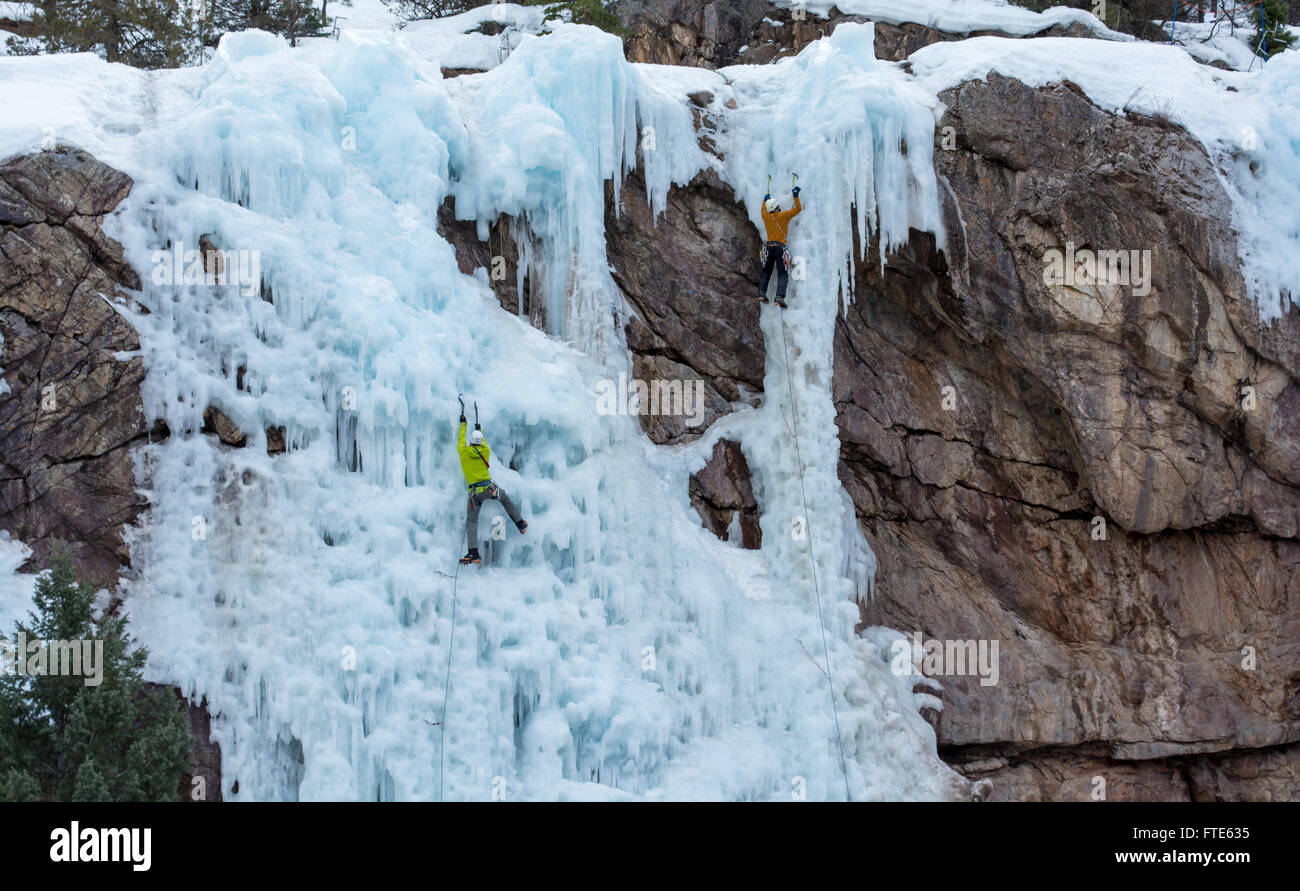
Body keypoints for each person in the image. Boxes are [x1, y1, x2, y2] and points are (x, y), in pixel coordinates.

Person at [457, 408, 526, 565]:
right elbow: (485, 442)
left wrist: (463, 423)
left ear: (471, 442)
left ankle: (473, 553)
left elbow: (461, 440)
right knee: (505, 498)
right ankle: (520, 523)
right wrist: (478, 428)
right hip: (489, 488)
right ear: (480, 442)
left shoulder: (464, 451)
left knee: (472, 522)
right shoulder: (485, 450)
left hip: (475, 494)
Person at [758, 185, 802, 308]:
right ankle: (779, 297)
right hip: (780, 248)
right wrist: (796, 196)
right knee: (782, 273)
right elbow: (798, 209)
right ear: (777, 207)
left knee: (766, 271)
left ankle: (762, 293)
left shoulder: (766, 216)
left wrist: (764, 200)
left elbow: (763, 211)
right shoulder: (784, 216)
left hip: (768, 248)